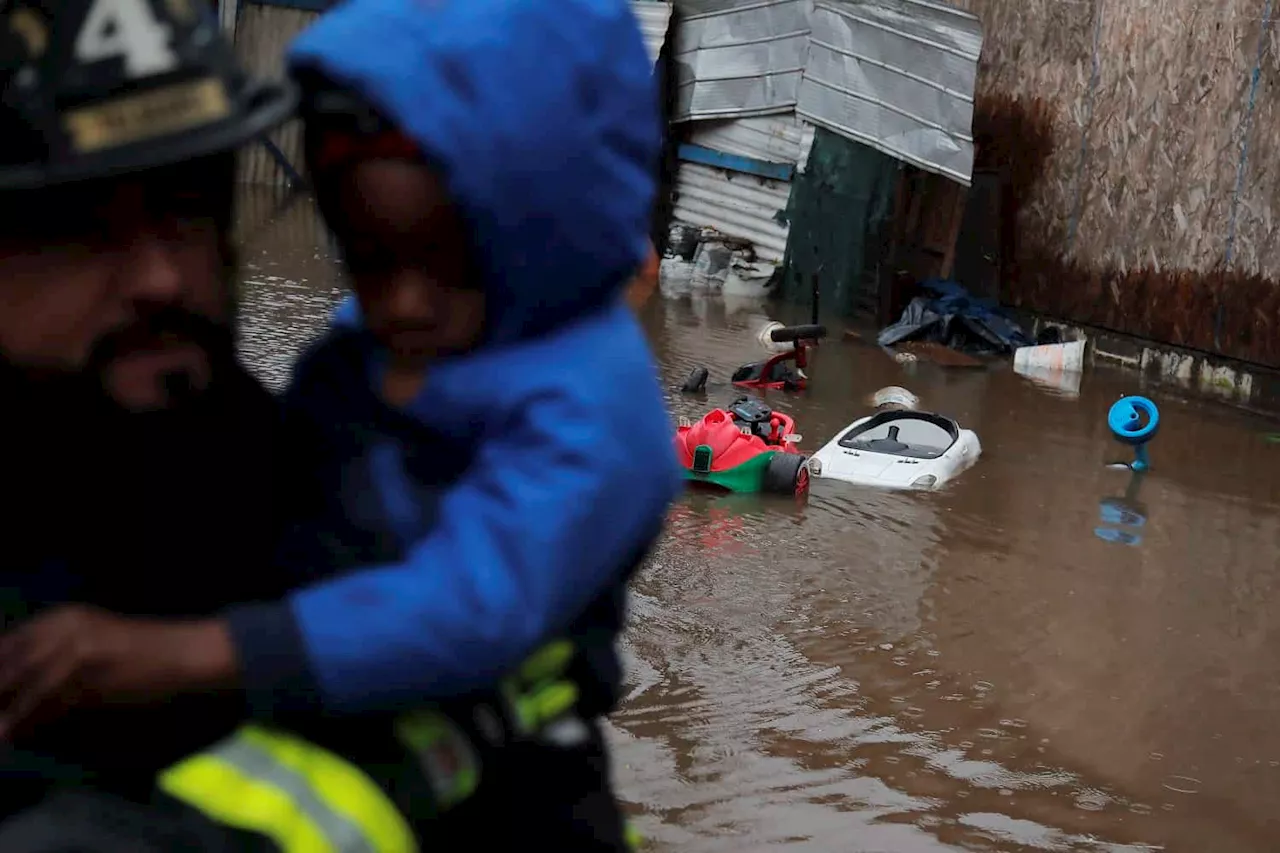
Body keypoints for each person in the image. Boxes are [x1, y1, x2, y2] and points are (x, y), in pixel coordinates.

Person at [0, 0, 677, 850]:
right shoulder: (349, 374)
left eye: (188, 205)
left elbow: (477, 607)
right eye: (74, 223)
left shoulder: (247, 454)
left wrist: (215, 654)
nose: (163, 279)